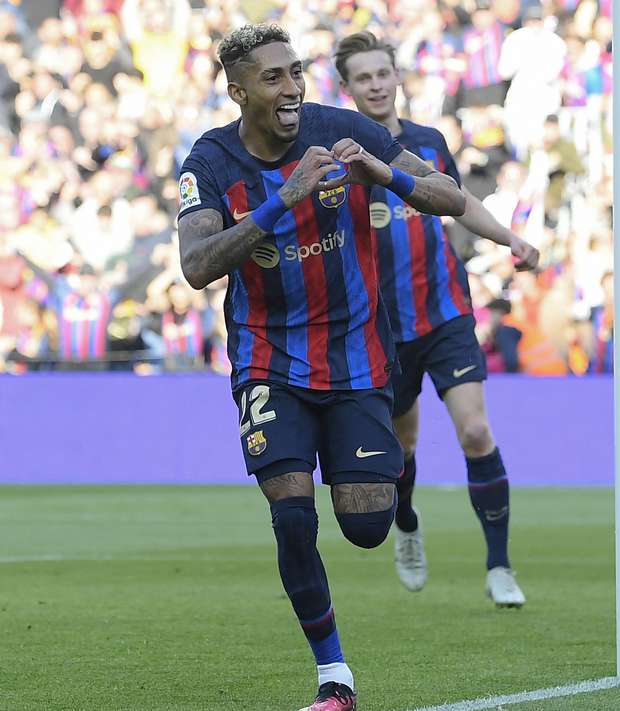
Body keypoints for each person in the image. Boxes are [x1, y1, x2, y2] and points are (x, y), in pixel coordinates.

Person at [175, 24, 464, 711]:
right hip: (268, 361)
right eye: (273, 77)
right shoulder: (210, 160)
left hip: (359, 358)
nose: (292, 87)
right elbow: (196, 265)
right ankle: (336, 678)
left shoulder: (339, 127)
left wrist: (384, 173)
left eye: (296, 72)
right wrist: (286, 198)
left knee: (365, 524)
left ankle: (382, 482)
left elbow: (450, 196)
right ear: (238, 90)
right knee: (293, 515)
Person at [334, 30, 540, 606]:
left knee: (475, 431)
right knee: (402, 449)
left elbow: (459, 202)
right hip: (382, 329)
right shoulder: (338, 154)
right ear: (347, 89)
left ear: (397, 78)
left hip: (445, 311)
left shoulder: (428, 142)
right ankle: (406, 524)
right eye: (363, 77)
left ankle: (499, 566)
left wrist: (510, 239)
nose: (375, 84)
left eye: (382, 73)